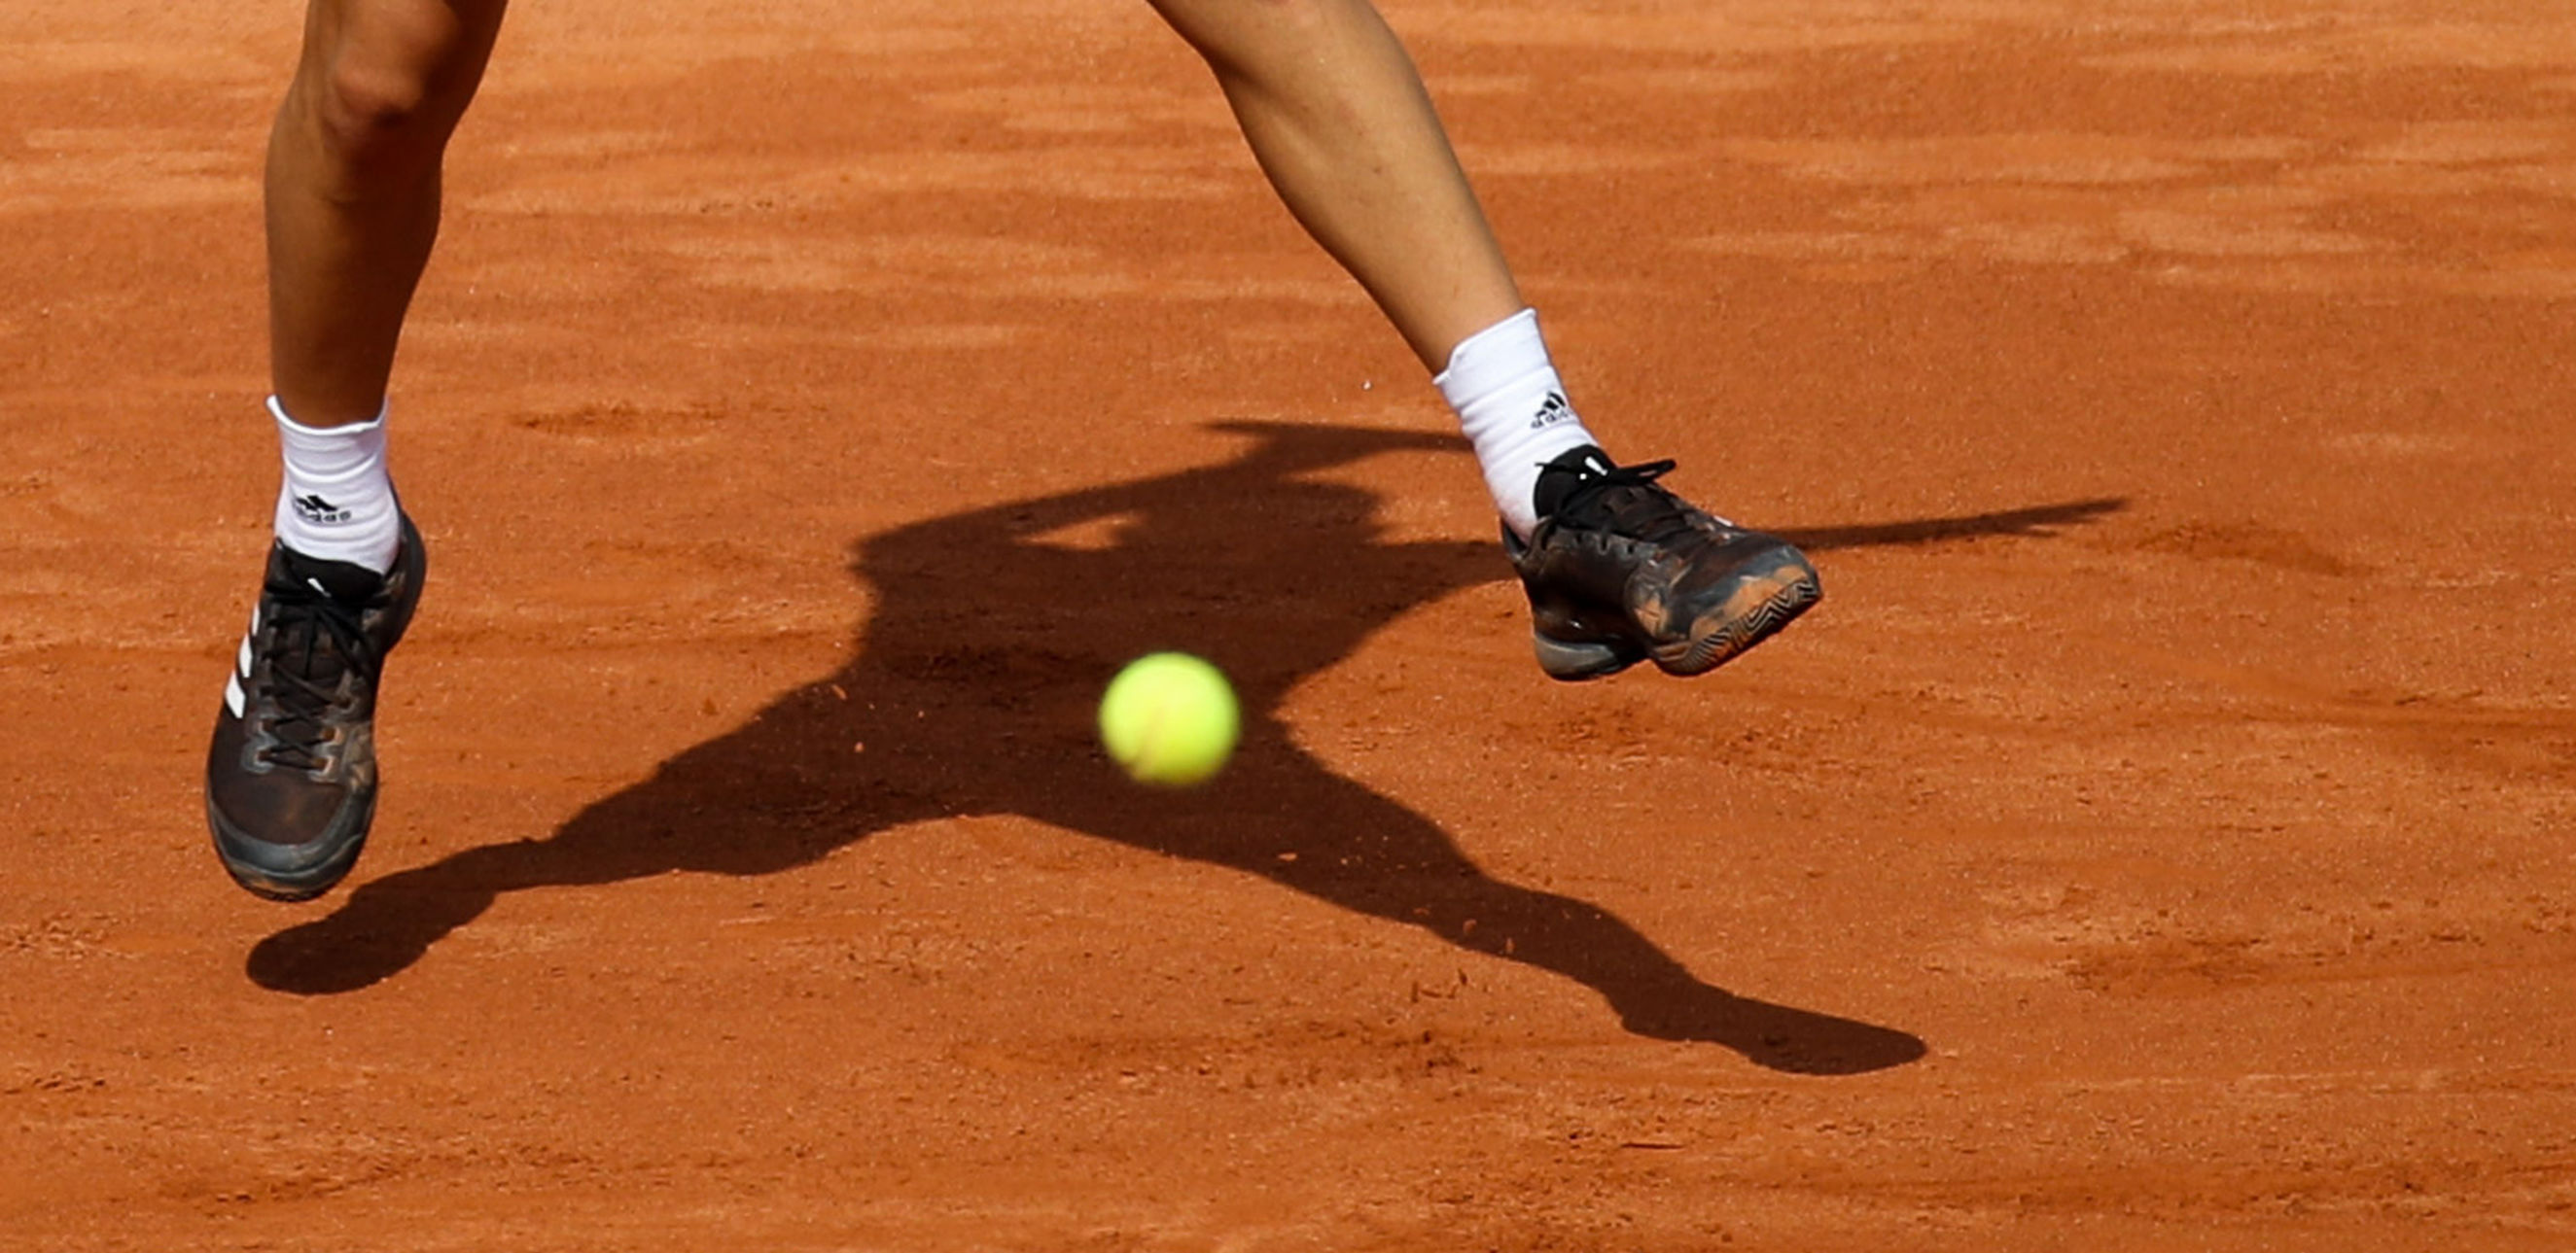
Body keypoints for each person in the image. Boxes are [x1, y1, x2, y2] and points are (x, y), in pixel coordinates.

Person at [206, 0, 1824, 902]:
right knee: (376, 87)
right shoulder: (922, 565)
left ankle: (1550, 476)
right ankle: (335, 537)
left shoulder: (1318, 562)